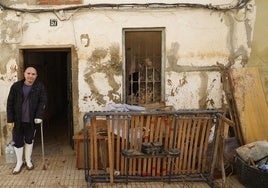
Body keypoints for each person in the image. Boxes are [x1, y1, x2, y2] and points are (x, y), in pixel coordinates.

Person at [7, 66, 47, 175]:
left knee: (29, 140)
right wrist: (10, 119)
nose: (30, 76)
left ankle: (28, 161)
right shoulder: (16, 87)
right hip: (17, 120)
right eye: (28, 73)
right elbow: (10, 103)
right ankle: (19, 162)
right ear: (24, 74)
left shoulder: (39, 87)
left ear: (36, 76)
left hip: (31, 120)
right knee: (18, 141)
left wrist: (39, 116)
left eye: (33, 74)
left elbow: (42, 101)